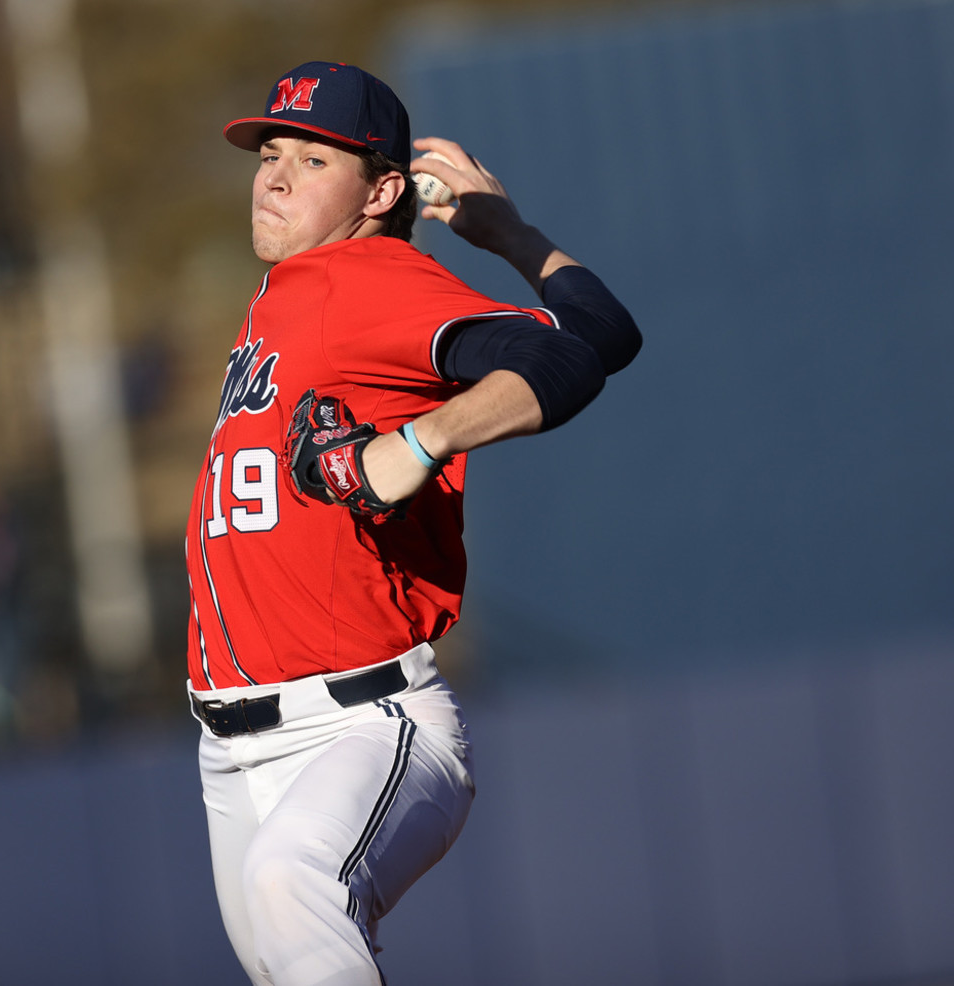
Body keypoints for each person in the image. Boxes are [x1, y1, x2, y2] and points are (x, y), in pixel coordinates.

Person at [185, 61, 641, 985]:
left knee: (291, 881)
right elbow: (607, 332)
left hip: (361, 723)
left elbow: (567, 363)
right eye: (271, 152)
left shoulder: (367, 278)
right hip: (232, 749)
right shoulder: (294, 290)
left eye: (314, 160)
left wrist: (419, 442)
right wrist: (511, 235)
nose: (273, 174)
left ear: (382, 190)